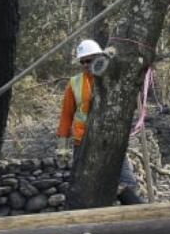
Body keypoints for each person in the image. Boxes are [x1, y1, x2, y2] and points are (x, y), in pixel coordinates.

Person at [56, 39, 143, 206]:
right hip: (82, 143)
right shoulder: (74, 83)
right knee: (83, 186)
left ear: (99, 57)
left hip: (110, 142)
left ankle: (138, 218)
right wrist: (62, 147)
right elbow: (66, 116)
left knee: (127, 183)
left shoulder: (114, 79)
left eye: (90, 60)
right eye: (83, 61)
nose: (86, 64)